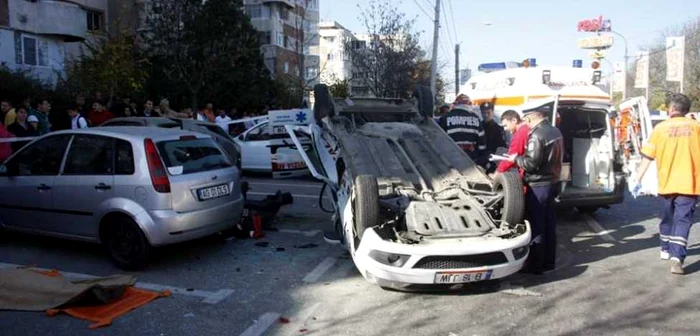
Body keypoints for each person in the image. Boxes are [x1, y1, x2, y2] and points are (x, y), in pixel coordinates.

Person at [632, 93, 700, 275]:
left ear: (671, 109)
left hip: (666, 183)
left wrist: (637, 179)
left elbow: (647, 156)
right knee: (683, 220)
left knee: (667, 217)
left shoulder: (660, 129)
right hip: (690, 184)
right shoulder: (696, 128)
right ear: (687, 110)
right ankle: (677, 258)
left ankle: (666, 248)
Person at [505, 101, 563, 274]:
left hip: (539, 185)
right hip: (553, 182)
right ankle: (549, 261)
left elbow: (531, 163)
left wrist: (515, 159)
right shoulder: (555, 131)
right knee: (549, 224)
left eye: (526, 119)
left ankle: (536, 265)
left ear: (530, 117)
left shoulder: (537, 135)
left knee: (537, 225)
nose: (526, 123)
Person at [438, 94, 487, 166]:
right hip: (471, 158)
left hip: (451, 158)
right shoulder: (476, 119)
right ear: (469, 105)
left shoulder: (446, 118)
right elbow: (482, 144)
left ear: (456, 104)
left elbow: (440, 140)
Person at [490, 110, 530, 180]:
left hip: (528, 174)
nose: (505, 129)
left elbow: (509, 157)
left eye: (506, 125)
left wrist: (496, 174)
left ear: (514, 120)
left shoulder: (520, 133)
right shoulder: (528, 128)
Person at [480, 102, 507, 173]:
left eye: (488, 112)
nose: (486, 115)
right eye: (484, 113)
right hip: (480, 159)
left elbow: (502, 147)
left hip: (493, 160)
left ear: (492, 112)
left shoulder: (498, 128)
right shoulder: (478, 127)